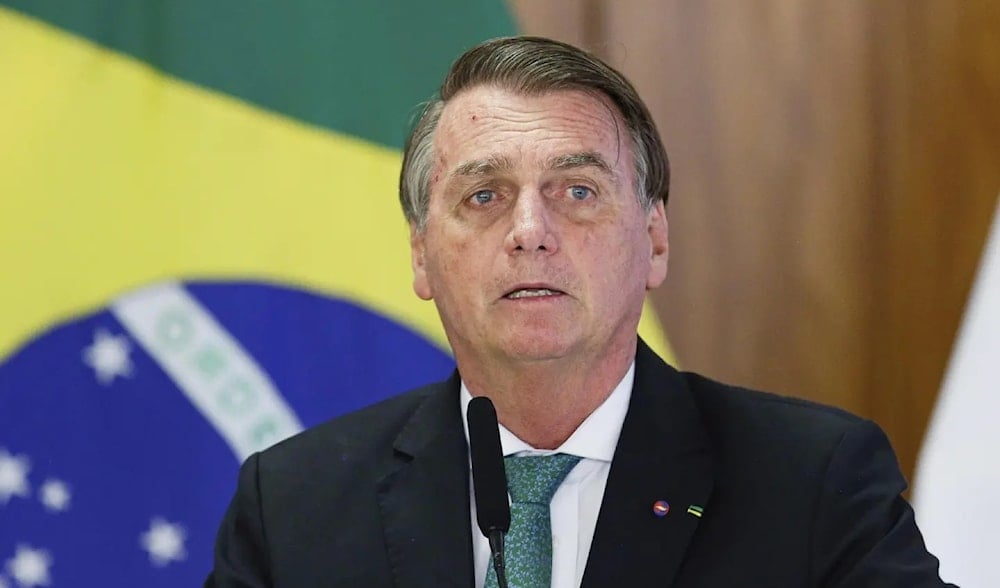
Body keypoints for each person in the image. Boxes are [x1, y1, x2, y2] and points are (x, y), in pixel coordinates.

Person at [205, 36, 952, 587]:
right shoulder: (295, 508)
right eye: (485, 195)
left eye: (578, 191)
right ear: (422, 256)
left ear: (653, 240)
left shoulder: (811, 483)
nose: (530, 231)